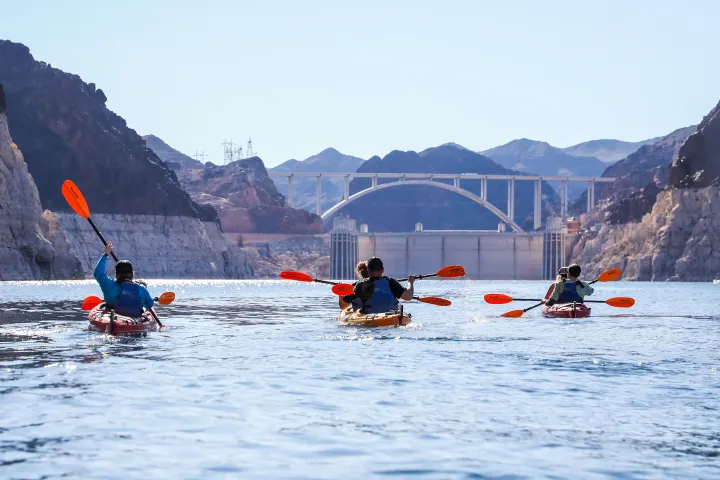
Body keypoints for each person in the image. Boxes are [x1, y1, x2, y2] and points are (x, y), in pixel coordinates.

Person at [93, 242, 154, 317]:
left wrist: (106, 254)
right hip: (134, 319)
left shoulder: (109, 286)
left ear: (116, 274)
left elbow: (98, 273)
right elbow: (149, 304)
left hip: (113, 317)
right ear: (132, 274)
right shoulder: (141, 289)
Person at [351, 257, 415, 314]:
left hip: (370, 319)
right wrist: (410, 282)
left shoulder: (361, 284)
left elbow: (343, 306)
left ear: (368, 270)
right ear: (383, 270)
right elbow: (408, 296)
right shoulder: (391, 282)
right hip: (391, 317)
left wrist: (342, 294)